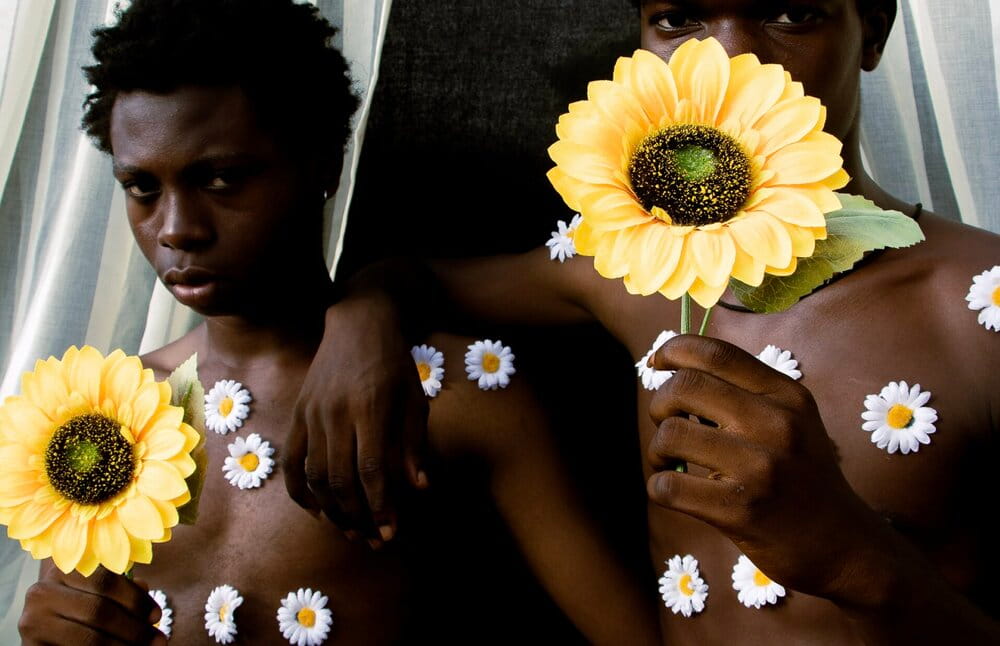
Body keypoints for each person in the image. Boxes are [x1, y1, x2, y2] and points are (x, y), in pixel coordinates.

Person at [299, 0, 1000, 642]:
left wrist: (854, 560)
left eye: (788, 13)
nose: (724, 62)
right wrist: (361, 320)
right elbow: (416, 281)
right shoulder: (631, 268)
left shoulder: (979, 302)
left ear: (872, 28)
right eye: (678, 19)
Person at [16, 0, 661, 643]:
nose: (176, 228)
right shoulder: (103, 421)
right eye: (142, 188)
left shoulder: (457, 397)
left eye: (221, 179)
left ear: (323, 162)